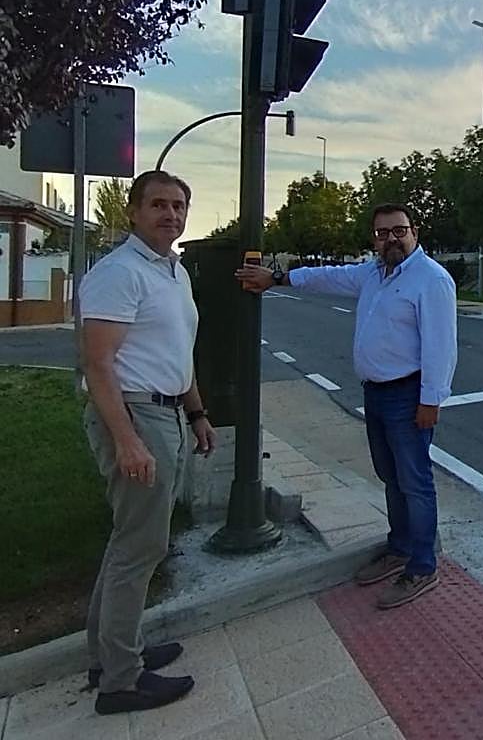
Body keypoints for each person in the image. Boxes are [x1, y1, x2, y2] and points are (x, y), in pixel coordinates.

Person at [236, 203, 457, 608]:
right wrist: (278, 278)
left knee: (415, 481)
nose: (390, 239)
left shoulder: (431, 280)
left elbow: (442, 347)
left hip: (408, 396)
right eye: (382, 233)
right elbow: (328, 276)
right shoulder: (373, 273)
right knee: (390, 477)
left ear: (415, 231)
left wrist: (431, 400)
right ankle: (400, 547)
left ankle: (422, 567)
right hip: (376, 393)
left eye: (399, 231)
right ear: (374, 238)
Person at [79, 169, 216, 714]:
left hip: (167, 413)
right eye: (159, 204)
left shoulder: (172, 273)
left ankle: (110, 655)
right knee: (140, 547)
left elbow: (178, 354)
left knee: (131, 542)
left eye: (180, 205)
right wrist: (128, 440)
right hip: (135, 414)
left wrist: (198, 412)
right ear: (133, 212)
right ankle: (121, 682)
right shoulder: (120, 273)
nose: (171, 214)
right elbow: (98, 365)